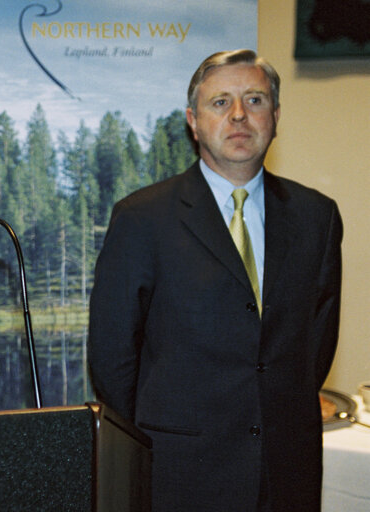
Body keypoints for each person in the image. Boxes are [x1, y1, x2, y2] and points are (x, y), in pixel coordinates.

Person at [88, 50, 342, 512]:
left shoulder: (317, 217)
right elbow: (112, 357)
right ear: (193, 120)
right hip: (179, 472)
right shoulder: (142, 218)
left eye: (255, 100)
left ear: (277, 117)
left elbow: (316, 347)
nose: (240, 114)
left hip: (286, 470)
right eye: (221, 102)